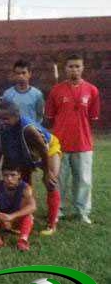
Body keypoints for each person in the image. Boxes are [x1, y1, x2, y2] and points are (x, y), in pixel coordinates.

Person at [45, 54, 100, 225]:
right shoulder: (56, 90)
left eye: (77, 66)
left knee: (83, 180)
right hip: (59, 144)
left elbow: (92, 117)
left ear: (83, 68)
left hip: (83, 143)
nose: (74, 69)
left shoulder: (92, 90)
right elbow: (50, 117)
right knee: (59, 179)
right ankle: (58, 210)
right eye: (70, 66)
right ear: (65, 69)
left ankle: (82, 211)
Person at [0, 101, 62, 235]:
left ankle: (52, 223)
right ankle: (26, 216)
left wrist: (47, 172)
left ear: (16, 116)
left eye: (6, 119)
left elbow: (43, 149)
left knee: (50, 182)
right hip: (27, 153)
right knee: (23, 184)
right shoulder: (3, 128)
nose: (3, 122)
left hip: (48, 150)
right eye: (1, 118)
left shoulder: (28, 129)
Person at [0, 165, 36, 252]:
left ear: (19, 175)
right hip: (0, 219)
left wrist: (11, 216)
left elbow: (33, 206)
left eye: (13, 175)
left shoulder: (25, 188)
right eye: (5, 175)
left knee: (28, 215)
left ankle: (23, 240)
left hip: (16, 220)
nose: (9, 178)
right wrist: (0, 217)